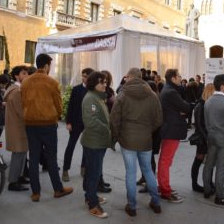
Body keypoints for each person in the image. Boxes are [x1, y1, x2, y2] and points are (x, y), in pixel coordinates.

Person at [110, 68, 162, 217]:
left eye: (127, 77)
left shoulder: (123, 94)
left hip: (127, 140)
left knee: (131, 173)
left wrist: (117, 135)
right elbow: (158, 119)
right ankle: (156, 203)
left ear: (131, 77)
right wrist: (147, 129)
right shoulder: (152, 95)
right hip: (146, 139)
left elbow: (114, 119)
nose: (125, 79)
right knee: (148, 171)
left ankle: (132, 206)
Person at [21, 53, 73, 202]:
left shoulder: (25, 82)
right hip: (48, 125)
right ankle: (58, 189)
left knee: (34, 157)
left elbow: (22, 103)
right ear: (46, 66)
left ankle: (35, 193)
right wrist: (55, 116)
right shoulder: (52, 82)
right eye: (50, 66)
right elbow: (59, 105)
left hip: (30, 125)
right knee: (51, 159)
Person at [81, 71, 113, 219]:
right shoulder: (90, 99)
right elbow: (91, 121)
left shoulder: (98, 97)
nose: (104, 85)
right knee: (94, 173)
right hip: (94, 142)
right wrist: (106, 129)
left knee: (92, 171)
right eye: (101, 82)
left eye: (105, 82)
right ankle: (93, 205)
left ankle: (90, 196)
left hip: (99, 141)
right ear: (94, 84)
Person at [203, 74, 224, 206]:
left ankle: (207, 190)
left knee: (209, 164)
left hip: (211, 136)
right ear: (222, 86)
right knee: (221, 168)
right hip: (223, 138)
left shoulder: (208, 101)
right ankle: (220, 196)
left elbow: (206, 122)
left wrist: (210, 133)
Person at [158, 69, 191, 203]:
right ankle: (165, 190)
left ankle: (163, 186)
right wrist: (181, 111)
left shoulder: (168, 90)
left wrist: (181, 111)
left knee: (165, 161)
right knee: (165, 161)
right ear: (172, 78)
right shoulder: (171, 92)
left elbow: (183, 108)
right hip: (171, 130)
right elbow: (187, 107)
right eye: (178, 76)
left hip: (170, 129)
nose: (180, 78)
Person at [62, 68, 94, 182]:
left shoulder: (93, 90)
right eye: (83, 76)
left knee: (87, 147)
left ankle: (83, 168)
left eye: (86, 76)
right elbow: (70, 107)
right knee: (71, 146)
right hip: (75, 123)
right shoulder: (76, 89)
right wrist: (68, 122)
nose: (83, 78)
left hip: (88, 124)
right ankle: (65, 170)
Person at [4, 66, 29, 191]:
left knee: (22, 153)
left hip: (17, 126)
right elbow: (22, 112)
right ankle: (13, 182)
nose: (26, 76)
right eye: (24, 73)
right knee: (18, 154)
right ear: (16, 76)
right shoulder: (16, 91)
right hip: (18, 127)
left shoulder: (16, 89)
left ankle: (19, 177)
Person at [190, 83, 215, 192]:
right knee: (198, 161)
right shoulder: (200, 105)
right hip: (203, 139)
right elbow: (199, 125)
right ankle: (195, 184)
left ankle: (209, 182)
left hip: (208, 137)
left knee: (210, 162)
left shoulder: (208, 104)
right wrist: (207, 139)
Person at [0, 74, 10, 141]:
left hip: (0, 119)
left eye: (5, 84)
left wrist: (4, 93)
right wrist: (1, 103)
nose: (4, 86)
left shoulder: (1, 90)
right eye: (3, 84)